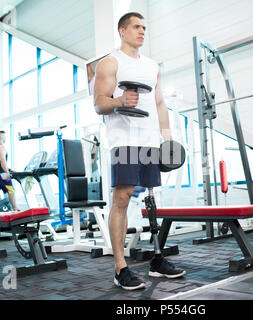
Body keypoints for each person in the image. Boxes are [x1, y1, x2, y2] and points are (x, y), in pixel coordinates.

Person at [94, 12, 186, 290]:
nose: (142, 31)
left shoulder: (152, 65)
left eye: (144, 27)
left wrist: (167, 137)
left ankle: (157, 259)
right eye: (136, 27)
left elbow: (159, 103)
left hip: (149, 140)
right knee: (121, 198)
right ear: (122, 31)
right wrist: (120, 99)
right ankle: (120, 267)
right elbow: (99, 104)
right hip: (124, 139)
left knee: (150, 195)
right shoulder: (110, 62)